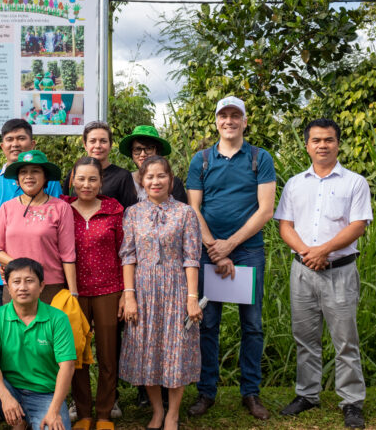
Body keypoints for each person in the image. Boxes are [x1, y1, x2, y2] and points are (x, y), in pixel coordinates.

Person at [274, 118, 371, 429]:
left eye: (328, 139)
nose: (323, 145)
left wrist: (323, 250)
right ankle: (307, 394)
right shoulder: (294, 183)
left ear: (337, 144)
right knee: (305, 338)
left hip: (339, 271)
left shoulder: (355, 182)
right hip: (302, 271)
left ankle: (352, 402)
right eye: (316, 140)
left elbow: (358, 225)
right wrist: (308, 252)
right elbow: (284, 226)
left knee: (345, 340)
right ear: (307, 145)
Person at [186, 96, 276, 420]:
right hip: (208, 250)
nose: (229, 120)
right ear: (216, 121)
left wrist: (231, 244)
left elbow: (266, 210)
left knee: (251, 325)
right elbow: (193, 208)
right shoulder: (201, 160)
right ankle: (206, 392)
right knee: (207, 324)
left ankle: (250, 393)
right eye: (223, 115)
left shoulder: (259, 158)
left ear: (244, 121)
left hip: (249, 250)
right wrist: (214, 247)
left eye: (235, 115)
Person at [119, 156, 203, 430]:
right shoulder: (133, 213)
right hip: (142, 289)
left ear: (171, 179)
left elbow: (191, 258)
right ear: (142, 181)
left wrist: (192, 299)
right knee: (148, 350)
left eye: (161, 176)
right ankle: (157, 411)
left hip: (176, 288)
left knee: (175, 349)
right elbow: (128, 256)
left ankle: (173, 414)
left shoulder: (185, 213)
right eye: (149, 177)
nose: (155, 181)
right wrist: (129, 295)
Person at [0, 258, 76, 430]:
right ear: (8, 288)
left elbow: (67, 366)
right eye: (16, 282)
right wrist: (6, 397)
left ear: (41, 286)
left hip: (44, 394)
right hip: (7, 388)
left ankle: (23, 421)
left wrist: (54, 410)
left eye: (29, 281)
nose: (23, 287)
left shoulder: (58, 318)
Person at [60, 157, 123, 430]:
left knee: (109, 354)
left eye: (93, 179)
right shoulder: (61, 208)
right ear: (73, 179)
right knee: (77, 354)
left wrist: (126, 293)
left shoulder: (114, 209)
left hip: (109, 289)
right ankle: (84, 412)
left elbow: (125, 252)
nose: (86, 184)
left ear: (101, 182)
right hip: (73, 292)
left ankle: (105, 413)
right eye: (81, 178)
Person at [0, 119, 62, 314]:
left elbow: (57, 226)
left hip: (43, 276)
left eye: (21, 138)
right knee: (3, 333)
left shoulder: (50, 183)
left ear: (32, 144)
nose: (15, 144)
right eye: (10, 139)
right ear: (2, 146)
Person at [0, 150, 77, 304]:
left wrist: (73, 293)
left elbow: (68, 254)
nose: (29, 176)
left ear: (45, 177)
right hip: (15, 285)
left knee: (49, 328)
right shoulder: (6, 208)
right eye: (23, 172)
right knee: (15, 328)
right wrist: (17, 266)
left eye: (35, 171)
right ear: (17, 179)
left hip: (50, 286)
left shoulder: (61, 208)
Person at [65, 121, 138, 210]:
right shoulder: (73, 174)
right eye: (92, 141)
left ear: (110, 145)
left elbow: (131, 213)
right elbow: (65, 207)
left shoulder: (122, 176)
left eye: (103, 141)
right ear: (85, 145)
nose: (98, 146)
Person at [118, 125, 187, 204]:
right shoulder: (125, 181)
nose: (143, 154)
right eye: (137, 149)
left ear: (157, 151)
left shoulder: (173, 183)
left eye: (149, 148)